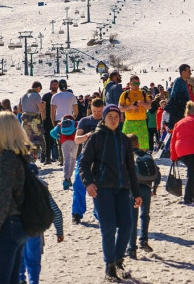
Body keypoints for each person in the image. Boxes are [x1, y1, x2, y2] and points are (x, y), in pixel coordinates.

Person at [79, 104, 142, 282]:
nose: (113, 119)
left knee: (127, 226)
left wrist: (136, 193)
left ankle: (118, 260)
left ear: (120, 118)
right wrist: (88, 183)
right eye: (110, 116)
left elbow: (131, 168)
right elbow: (83, 163)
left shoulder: (123, 139)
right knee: (108, 228)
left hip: (123, 189)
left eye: (116, 116)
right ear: (104, 118)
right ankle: (109, 266)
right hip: (102, 188)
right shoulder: (96, 137)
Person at [0, 112, 31, 284]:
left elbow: (2, 199)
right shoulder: (18, 155)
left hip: (7, 226)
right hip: (17, 224)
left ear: (0, 131)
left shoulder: (7, 158)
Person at [18, 161, 64, 284]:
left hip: (19, 228)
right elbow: (56, 212)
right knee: (33, 261)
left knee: (19, 259)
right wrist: (59, 232)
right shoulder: (42, 188)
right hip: (35, 230)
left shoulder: (17, 187)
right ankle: (34, 281)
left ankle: (21, 279)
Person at [126, 134, 160, 260]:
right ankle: (143, 241)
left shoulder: (128, 156)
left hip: (133, 190)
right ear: (138, 144)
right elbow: (157, 172)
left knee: (132, 219)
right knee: (145, 215)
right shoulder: (147, 155)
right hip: (147, 188)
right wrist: (154, 188)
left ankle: (131, 248)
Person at [71, 98, 105, 224]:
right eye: (95, 111)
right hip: (85, 155)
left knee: (99, 186)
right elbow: (76, 139)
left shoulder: (106, 120)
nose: (97, 113)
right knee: (78, 184)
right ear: (91, 108)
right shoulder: (84, 121)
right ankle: (77, 213)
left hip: (101, 157)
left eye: (99, 111)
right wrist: (87, 135)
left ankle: (99, 213)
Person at [119, 75, 152, 151]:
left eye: (138, 83)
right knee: (126, 145)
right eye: (134, 83)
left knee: (142, 146)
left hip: (141, 122)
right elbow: (120, 108)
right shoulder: (124, 94)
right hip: (129, 123)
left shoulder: (143, 94)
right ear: (130, 83)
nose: (136, 85)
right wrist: (129, 107)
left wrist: (142, 104)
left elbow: (149, 106)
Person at [50, 79, 78, 166]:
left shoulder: (54, 97)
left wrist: (53, 122)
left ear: (58, 86)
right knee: (71, 139)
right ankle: (72, 157)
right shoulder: (72, 96)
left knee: (60, 140)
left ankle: (62, 159)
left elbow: (52, 113)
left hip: (59, 120)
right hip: (70, 120)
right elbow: (76, 111)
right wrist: (72, 118)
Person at [19, 81, 47, 161]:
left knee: (27, 141)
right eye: (39, 90)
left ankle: (26, 160)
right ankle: (33, 161)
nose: (39, 91)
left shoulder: (23, 96)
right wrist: (43, 106)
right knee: (37, 140)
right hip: (34, 121)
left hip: (25, 121)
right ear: (38, 87)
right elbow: (41, 109)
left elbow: (19, 110)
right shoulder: (36, 95)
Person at [163, 64, 194, 130]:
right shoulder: (178, 81)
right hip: (177, 113)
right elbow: (174, 96)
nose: (190, 73)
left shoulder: (183, 82)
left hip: (181, 112)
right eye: (188, 71)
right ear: (183, 72)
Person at [41, 79, 60, 164]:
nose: (55, 86)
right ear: (50, 86)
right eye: (53, 84)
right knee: (47, 140)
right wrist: (43, 117)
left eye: (56, 84)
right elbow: (43, 107)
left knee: (59, 138)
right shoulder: (46, 96)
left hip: (58, 119)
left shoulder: (60, 96)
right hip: (47, 120)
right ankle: (47, 158)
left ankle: (60, 157)